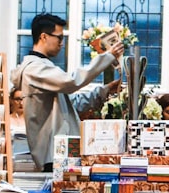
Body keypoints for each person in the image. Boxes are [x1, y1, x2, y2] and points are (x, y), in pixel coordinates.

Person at [10, 13, 124, 171]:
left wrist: (104, 91)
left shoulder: (44, 66)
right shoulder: (34, 69)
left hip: (61, 150)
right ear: (44, 36)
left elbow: (72, 103)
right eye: (60, 38)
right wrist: (107, 57)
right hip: (52, 152)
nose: (62, 44)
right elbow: (72, 81)